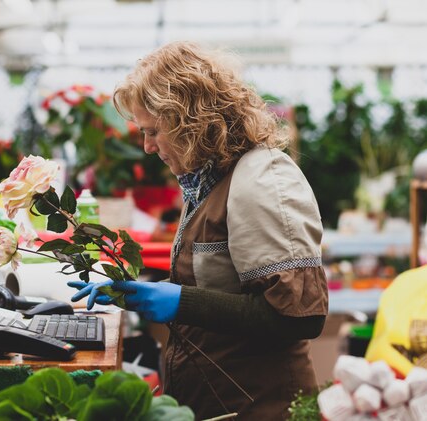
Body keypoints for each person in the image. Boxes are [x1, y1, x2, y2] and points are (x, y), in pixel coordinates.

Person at [67, 41, 328, 420]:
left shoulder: (261, 179)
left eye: (153, 131)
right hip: (224, 402)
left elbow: (301, 316)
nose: (147, 146)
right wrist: (146, 293)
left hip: (262, 407)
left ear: (190, 119)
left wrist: (180, 302)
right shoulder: (208, 180)